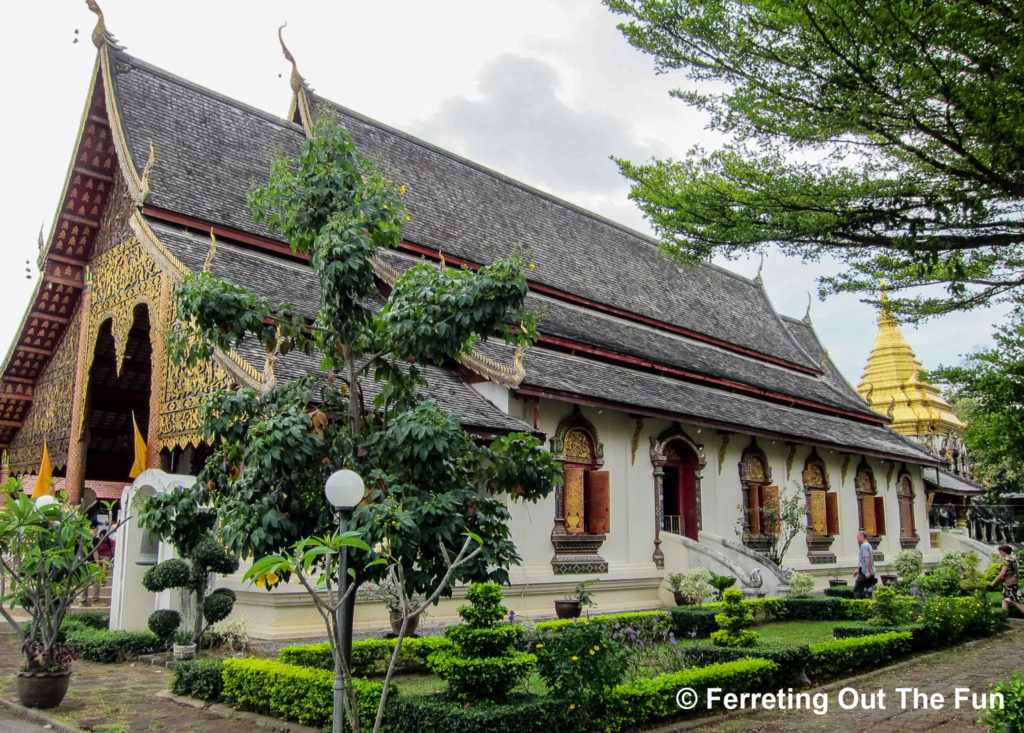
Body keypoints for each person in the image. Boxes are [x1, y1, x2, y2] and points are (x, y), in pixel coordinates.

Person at [989, 544, 1024, 616]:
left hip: (1009, 583)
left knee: (1015, 601)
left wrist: (994, 581)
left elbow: (1003, 572)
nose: (1000, 553)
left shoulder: (1006, 561)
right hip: (1013, 582)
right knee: (1005, 600)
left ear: (1003, 551)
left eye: (1000, 551)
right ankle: (1003, 617)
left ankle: (1003, 617)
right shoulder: (1013, 559)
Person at [853, 530, 876, 599]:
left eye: (858, 537)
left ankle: (858, 605)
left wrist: (867, 571)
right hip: (867, 571)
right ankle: (869, 604)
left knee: (857, 590)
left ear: (862, 537)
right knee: (869, 590)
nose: (857, 539)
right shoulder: (868, 545)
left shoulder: (864, 546)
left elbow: (867, 558)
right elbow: (862, 560)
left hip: (865, 572)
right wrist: (858, 569)